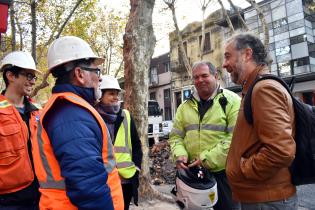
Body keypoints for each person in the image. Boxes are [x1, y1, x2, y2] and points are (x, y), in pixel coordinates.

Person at [31, 36, 124, 210]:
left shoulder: (69, 110)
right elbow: (88, 189)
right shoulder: (71, 116)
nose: (100, 78)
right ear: (80, 74)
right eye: (97, 71)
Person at [223, 33, 297, 210]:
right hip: (262, 198)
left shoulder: (264, 89)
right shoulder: (255, 88)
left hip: (266, 201)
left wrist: (244, 169)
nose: (225, 64)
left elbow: (281, 151)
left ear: (247, 54)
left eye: (228, 56)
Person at [169, 61, 241, 210]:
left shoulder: (232, 101)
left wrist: (205, 159)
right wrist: (180, 154)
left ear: (215, 76)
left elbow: (236, 139)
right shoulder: (184, 107)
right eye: (196, 77)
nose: (200, 80)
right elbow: (176, 137)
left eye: (204, 75)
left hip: (224, 176)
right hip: (192, 175)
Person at [0, 51, 41, 210]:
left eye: (34, 78)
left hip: (38, 195)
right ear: (11, 76)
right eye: (28, 76)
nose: (32, 82)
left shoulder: (39, 112)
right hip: (7, 201)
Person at [95, 75, 143, 210]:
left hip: (126, 180)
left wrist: (137, 169)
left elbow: (137, 145)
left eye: (117, 94)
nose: (116, 97)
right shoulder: (93, 116)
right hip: (105, 181)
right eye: (111, 94)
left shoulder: (125, 115)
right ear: (100, 95)